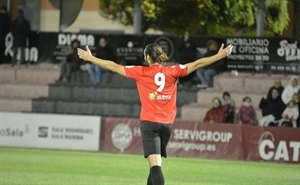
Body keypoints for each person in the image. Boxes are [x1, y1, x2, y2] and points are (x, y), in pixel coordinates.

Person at [77, 42, 233, 185]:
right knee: (154, 166)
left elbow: (114, 67)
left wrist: (91, 58)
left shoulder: (140, 72)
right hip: (166, 126)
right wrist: (219, 56)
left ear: (147, 57)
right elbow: (198, 63)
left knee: (155, 166)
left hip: (150, 124)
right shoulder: (173, 71)